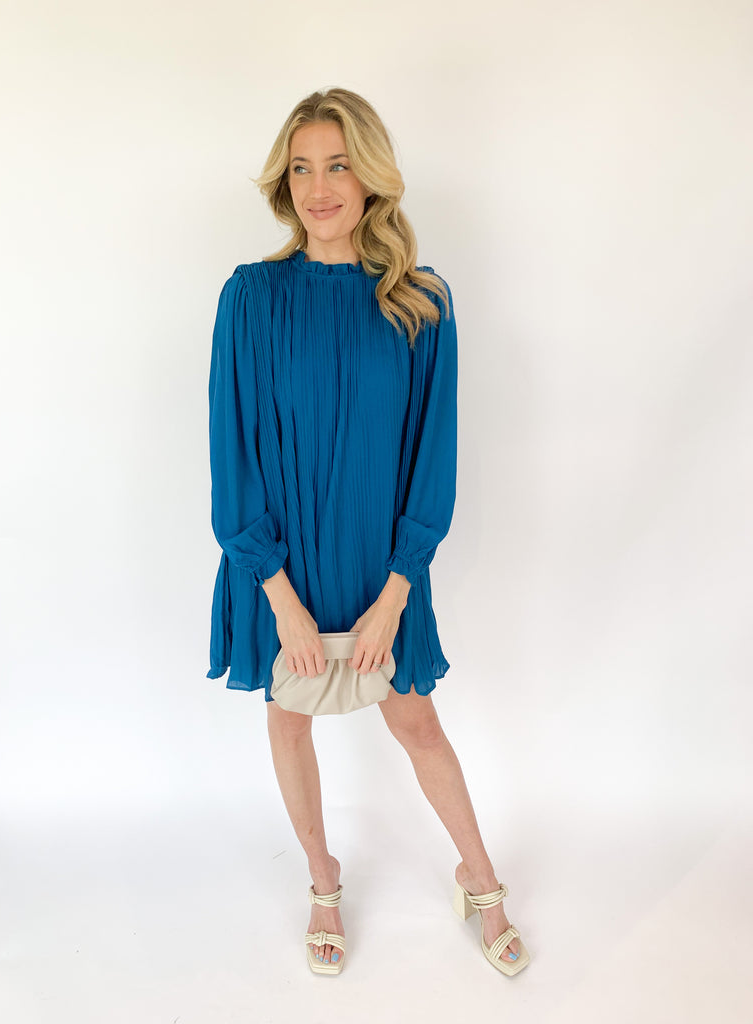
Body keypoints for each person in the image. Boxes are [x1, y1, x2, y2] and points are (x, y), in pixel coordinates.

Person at [206, 87, 529, 977]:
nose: (320, 188)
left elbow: (433, 459)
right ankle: (323, 880)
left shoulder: (421, 302)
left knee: (416, 721)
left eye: (339, 165)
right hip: (280, 563)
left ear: (371, 177)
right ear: (284, 182)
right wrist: (280, 598)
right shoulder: (250, 297)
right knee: (289, 718)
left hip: (383, 568)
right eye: (302, 168)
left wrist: (395, 594)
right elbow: (232, 456)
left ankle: (479, 877)